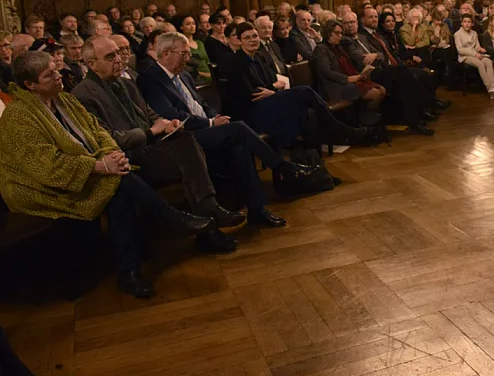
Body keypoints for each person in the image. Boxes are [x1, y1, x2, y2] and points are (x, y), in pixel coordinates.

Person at [0, 51, 213, 298]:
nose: (59, 76)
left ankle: (130, 271)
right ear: (30, 85)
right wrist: (99, 166)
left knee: (119, 187)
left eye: (56, 70)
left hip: (87, 169)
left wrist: (112, 156)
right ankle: (168, 220)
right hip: (38, 187)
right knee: (119, 183)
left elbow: (97, 132)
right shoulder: (18, 118)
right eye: (50, 74)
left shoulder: (64, 100)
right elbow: (43, 166)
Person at [73, 36, 244, 254]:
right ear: (91, 64)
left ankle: (208, 217)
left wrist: (163, 123)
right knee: (189, 156)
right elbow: (106, 138)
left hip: (150, 148)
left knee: (185, 140)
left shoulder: (125, 83)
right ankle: (209, 221)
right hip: (126, 160)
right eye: (110, 56)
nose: (118, 59)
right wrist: (149, 131)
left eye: (118, 53)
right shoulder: (82, 94)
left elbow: (148, 112)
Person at [138, 32, 305, 225]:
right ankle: (283, 166)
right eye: (183, 54)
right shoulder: (150, 79)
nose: (188, 58)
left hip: (205, 129)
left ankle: (257, 210)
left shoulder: (184, 75)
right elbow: (170, 114)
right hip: (185, 138)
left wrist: (214, 116)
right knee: (238, 129)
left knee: (239, 147)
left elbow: (200, 104)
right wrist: (210, 123)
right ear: (166, 53)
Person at [229, 22, 365, 153]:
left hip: (271, 99)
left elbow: (274, 81)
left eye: (254, 36)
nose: (252, 40)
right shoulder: (236, 63)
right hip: (254, 109)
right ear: (240, 41)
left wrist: (270, 89)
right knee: (304, 91)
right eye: (247, 38)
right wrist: (271, 88)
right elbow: (249, 93)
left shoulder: (260, 57)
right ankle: (339, 130)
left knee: (306, 112)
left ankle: (312, 159)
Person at [340, 11, 434, 136]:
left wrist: (376, 55)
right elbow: (360, 58)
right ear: (343, 25)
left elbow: (381, 54)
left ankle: (415, 120)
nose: (350, 25)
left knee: (406, 83)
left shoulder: (362, 37)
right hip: (369, 73)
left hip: (382, 68)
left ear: (358, 23)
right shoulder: (345, 41)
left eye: (352, 22)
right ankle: (424, 105)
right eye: (347, 23)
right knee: (402, 71)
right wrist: (376, 56)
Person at [312, 20, 386, 110]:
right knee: (376, 94)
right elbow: (327, 72)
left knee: (382, 89)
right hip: (334, 86)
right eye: (337, 33)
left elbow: (349, 65)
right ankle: (366, 120)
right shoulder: (321, 49)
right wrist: (348, 79)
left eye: (341, 33)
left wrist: (360, 74)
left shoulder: (338, 47)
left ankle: (369, 118)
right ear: (328, 33)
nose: (340, 36)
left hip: (347, 81)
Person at [455, 14, 494, 100]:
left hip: (476, 54)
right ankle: (489, 88)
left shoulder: (474, 33)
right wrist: (475, 54)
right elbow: (460, 50)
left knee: (488, 61)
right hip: (465, 56)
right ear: (461, 23)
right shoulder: (457, 34)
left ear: (472, 24)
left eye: (469, 22)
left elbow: (477, 46)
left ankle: (493, 85)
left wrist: (480, 49)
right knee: (480, 64)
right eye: (465, 22)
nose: (467, 24)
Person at [173, 16, 212, 85]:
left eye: (193, 24)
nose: (192, 26)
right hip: (197, 79)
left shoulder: (200, 43)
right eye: (188, 24)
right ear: (181, 27)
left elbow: (207, 61)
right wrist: (203, 74)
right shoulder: (181, 45)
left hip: (210, 77)